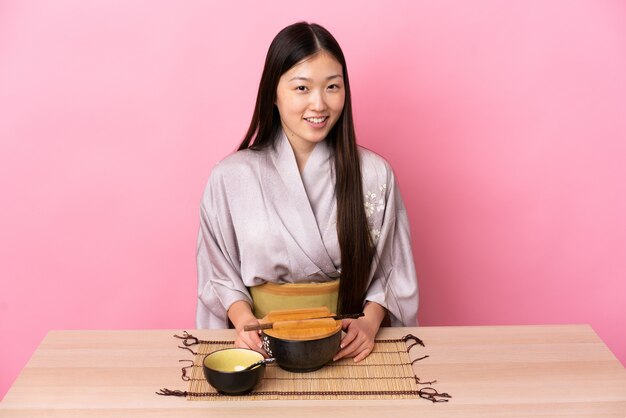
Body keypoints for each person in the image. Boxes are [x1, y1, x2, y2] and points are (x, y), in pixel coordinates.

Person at [196, 22, 418, 363]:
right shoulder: (230, 177)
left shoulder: (374, 174)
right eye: (302, 87)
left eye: (332, 87)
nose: (319, 104)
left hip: (346, 347)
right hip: (261, 346)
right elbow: (219, 273)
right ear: (273, 92)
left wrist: (369, 324)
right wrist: (244, 323)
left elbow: (392, 270)